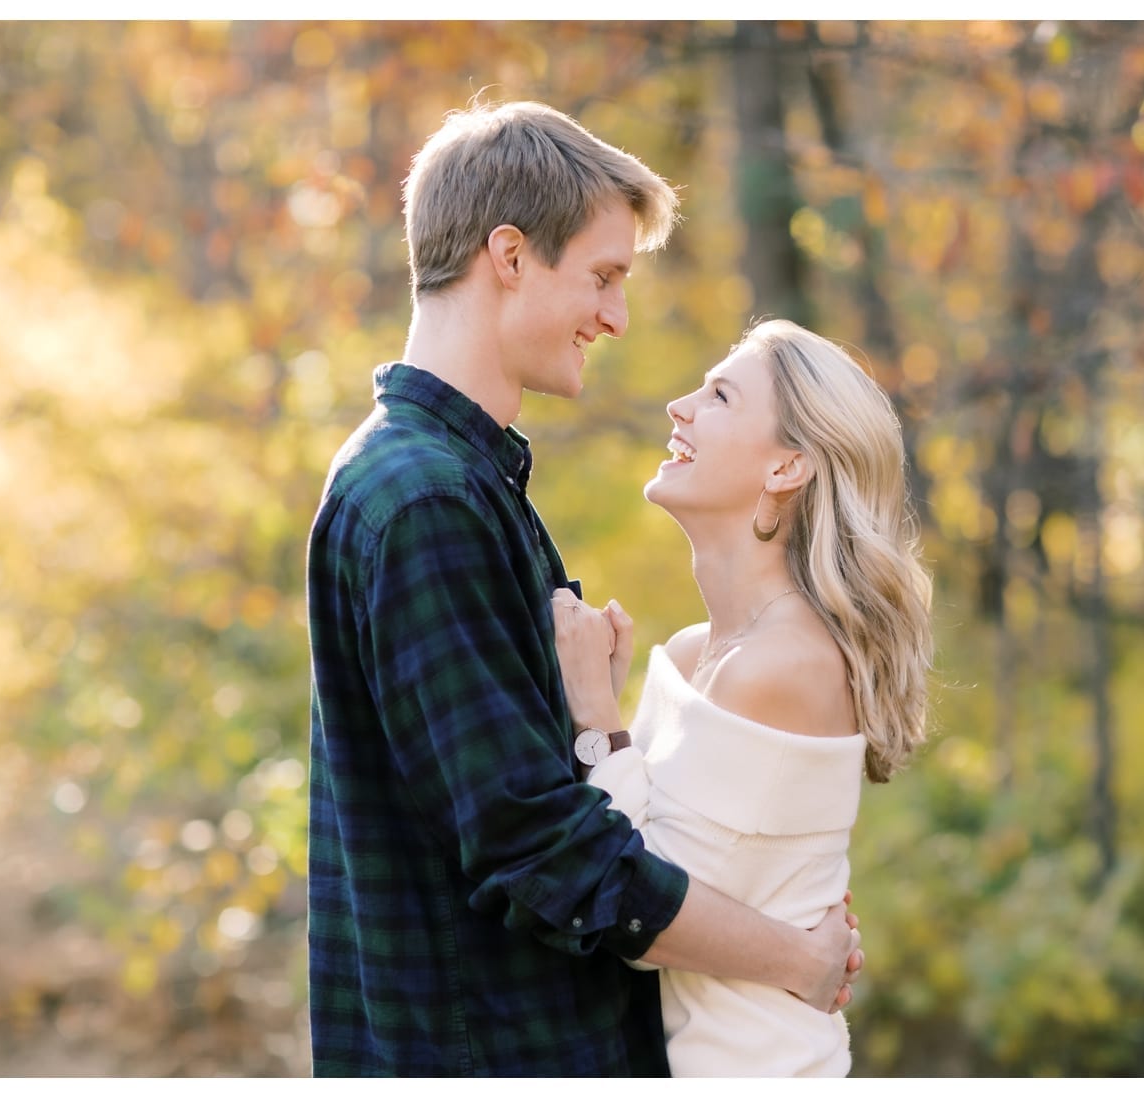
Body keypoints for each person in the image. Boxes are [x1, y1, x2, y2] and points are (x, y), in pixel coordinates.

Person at [306, 100, 862, 1078]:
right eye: (603, 277)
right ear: (509, 256)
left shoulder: (455, 485)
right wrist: (797, 960)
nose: (616, 316)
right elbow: (542, 854)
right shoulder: (428, 504)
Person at [551, 318, 935, 1077]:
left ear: (787, 467)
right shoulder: (697, 651)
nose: (679, 407)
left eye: (719, 395)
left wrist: (599, 716)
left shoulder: (784, 665)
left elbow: (640, 910)